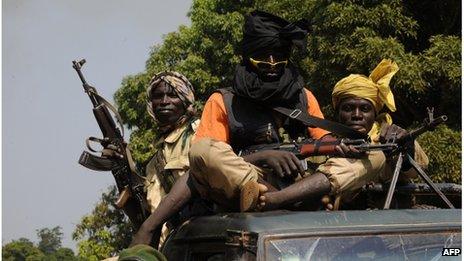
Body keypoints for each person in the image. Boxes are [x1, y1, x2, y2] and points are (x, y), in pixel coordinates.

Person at [250, 59, 429, 210]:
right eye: (348, 108)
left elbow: (416, 170)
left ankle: (277, 200)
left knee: (376, 155)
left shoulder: (388, 137)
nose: (357, 115)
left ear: (375, 113)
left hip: (376, 222)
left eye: (365, 109)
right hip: (324, 225)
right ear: (338, 113)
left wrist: (405, 148)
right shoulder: (327, 145)